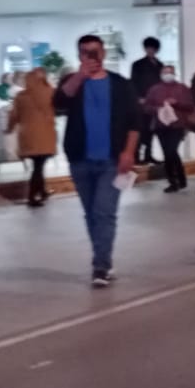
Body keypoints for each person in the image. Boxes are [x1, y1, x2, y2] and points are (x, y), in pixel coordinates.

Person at [54, 34, 140, 287]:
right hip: (80, 158)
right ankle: (104, 260)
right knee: (91, 214)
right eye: (85, 52)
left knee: (104, 212)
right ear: (79, 55)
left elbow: (135, 122)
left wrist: (129, 151)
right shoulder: (73, 82)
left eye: (95, 51)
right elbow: (58, 103)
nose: (91, 56)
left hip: (111, 160)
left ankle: (100, 267)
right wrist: (80, 76)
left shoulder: (121, 85)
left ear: (103, 53)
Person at [143, 64, 195, 193]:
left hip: (178, 125)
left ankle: (178, 179)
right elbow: (146, 107)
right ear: (161, 74)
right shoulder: (154, 89)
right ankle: (175, 181)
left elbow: (190, 106)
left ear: (174, 74)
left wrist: (177, 104)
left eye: (170, 72)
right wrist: (158, 108)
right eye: (165, 72)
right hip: (160, 125)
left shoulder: (182, 88)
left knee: (171, 150)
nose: (168, 74)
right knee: (168, 153)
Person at [7, 67, 58, 207]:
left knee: (38, 165)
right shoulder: (49, 93)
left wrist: (9, 129)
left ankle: (41, 191)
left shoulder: (20, 97)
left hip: (27, 136)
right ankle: (32, 196)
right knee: (39, 166)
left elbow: (14, 116)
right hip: (45, 136)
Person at [129, 37, 164, 166]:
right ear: (145, 48)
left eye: (153, 48)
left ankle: (149, 155)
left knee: (151, 130)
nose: (150, 51)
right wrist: (138, 98)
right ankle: (136, 156)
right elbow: (133, 83)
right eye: (148, 48)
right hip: (141, 102)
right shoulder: (137, 64)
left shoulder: (160, 65)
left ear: (156, 49)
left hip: (154, 103)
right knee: (140, 129)